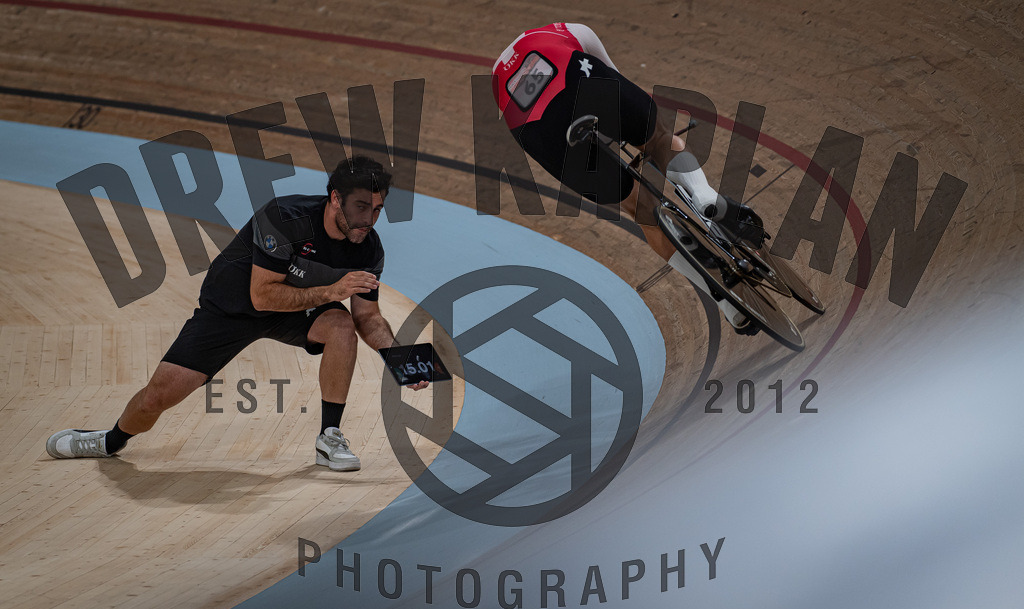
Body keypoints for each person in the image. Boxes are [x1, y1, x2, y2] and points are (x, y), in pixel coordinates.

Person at [46, 155, 426, 471]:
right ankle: (109, 441)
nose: (369, 219)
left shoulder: (368, 249)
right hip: (231, 308)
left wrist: (398, 359)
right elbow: (262, 296)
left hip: (295, 310)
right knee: (155, 398)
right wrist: (331, 291)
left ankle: (329, 437)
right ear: (335, 199)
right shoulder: (285, 217)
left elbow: (367, 318)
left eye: (377, 209)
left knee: (341, 324)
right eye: (361, 207)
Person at [492, 22, 766, 333]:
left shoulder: (498, 82)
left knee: (640, 209)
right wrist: (634, 127)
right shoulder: (567, 31)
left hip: (538, 130)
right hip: (577, 77)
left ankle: (727, 302)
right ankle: (704, 197)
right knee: (658, 140)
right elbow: (615, 76)